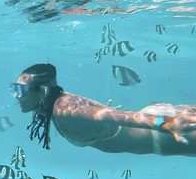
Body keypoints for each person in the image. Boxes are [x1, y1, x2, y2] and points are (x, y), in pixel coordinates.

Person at [11, 64, 196, 157]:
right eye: (14, 89)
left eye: (21, 90)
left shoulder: (65, 110)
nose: (16, 96)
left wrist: (165, 123)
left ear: (43, 91)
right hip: (158, 122)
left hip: (164, 136)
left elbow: (116, 116)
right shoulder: (57, 101)